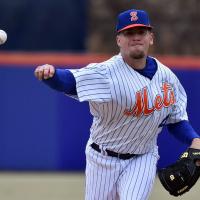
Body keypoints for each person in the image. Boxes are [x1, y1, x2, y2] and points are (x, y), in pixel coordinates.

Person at [34, 9, 200, 200]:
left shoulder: (168, 78)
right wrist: (50, 74)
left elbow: (175, 120)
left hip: (142, 158)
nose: (136, 37)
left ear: (151, 37)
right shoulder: (106, 73)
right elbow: (69, 81)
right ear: (119, 40)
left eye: (141, 32)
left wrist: (195, 140)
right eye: (129, 33)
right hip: (101, 159)